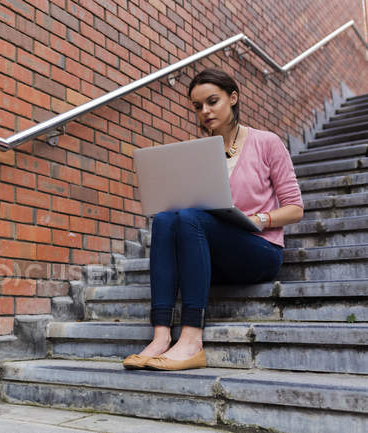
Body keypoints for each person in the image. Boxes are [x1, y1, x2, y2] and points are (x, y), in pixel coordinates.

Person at [123, 68, 304, 371]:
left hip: (258, 250)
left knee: (189, 218)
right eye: (197, 106)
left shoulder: (266, 143)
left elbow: (296, 209)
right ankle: (161, 336)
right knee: (167, 218)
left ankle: (192, 339)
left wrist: (258, 218)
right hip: (209, 253)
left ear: (233, 98)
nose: (205, 111)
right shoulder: (198, 152)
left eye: (212, 101)